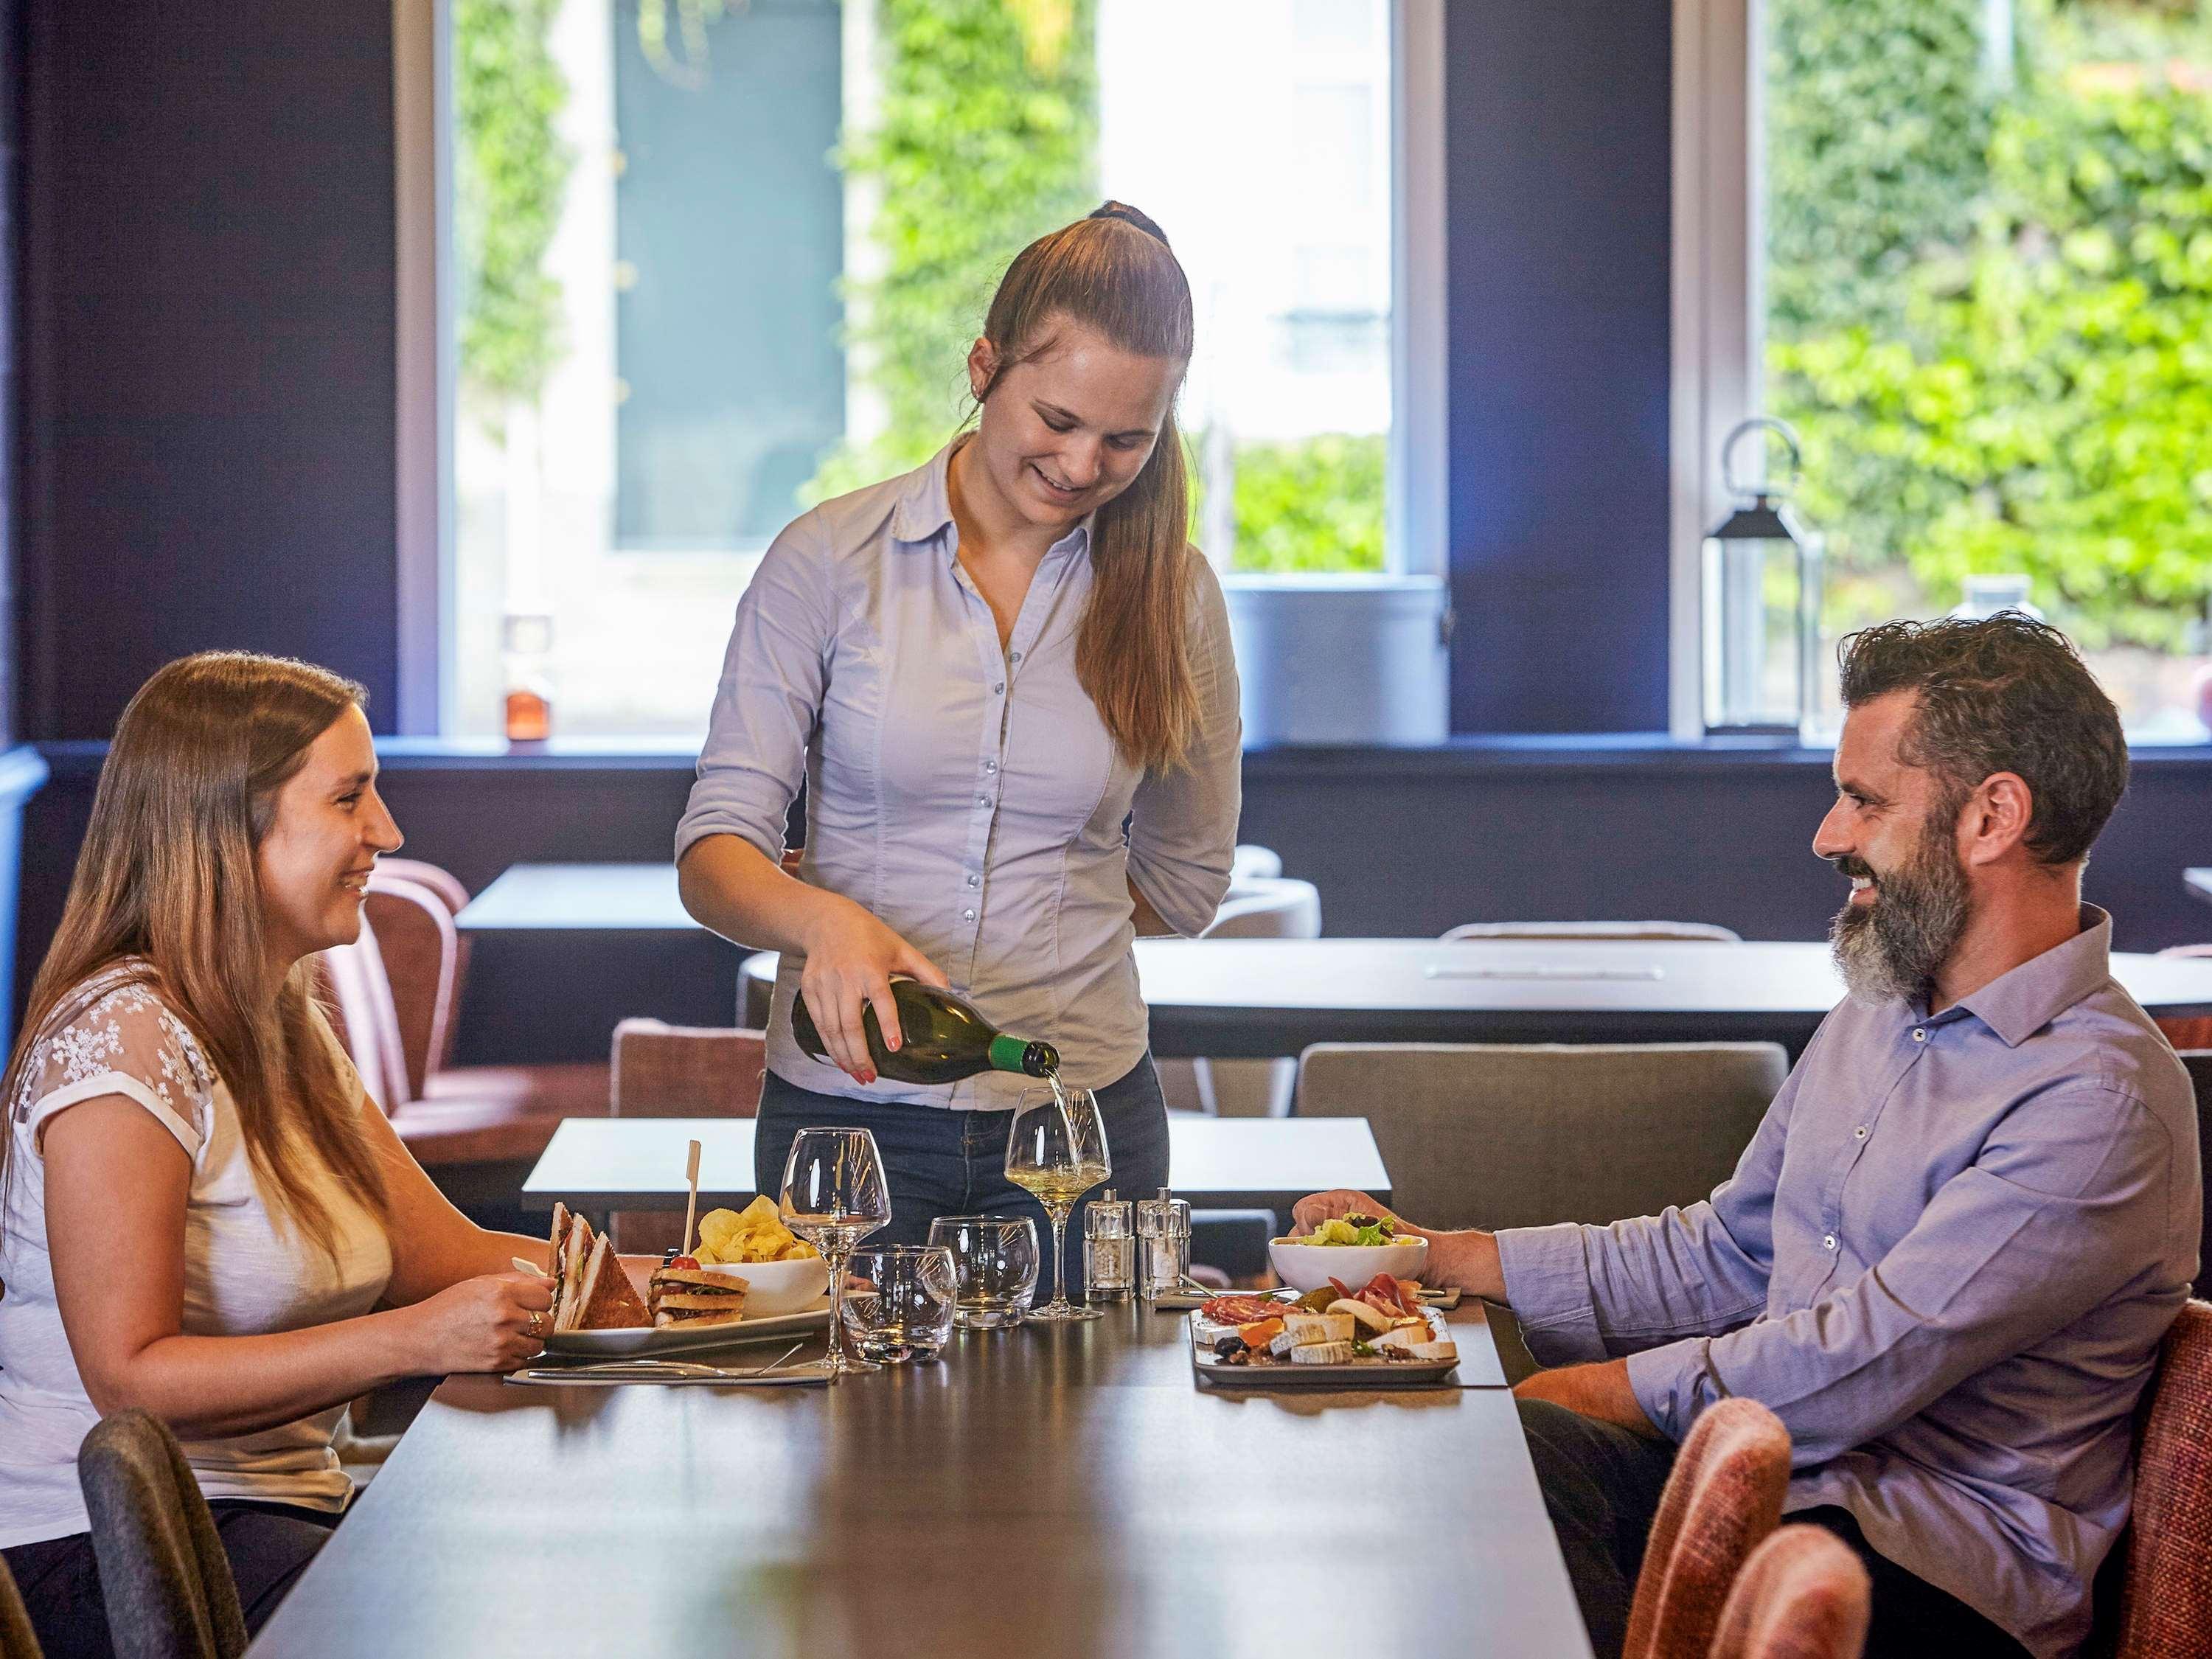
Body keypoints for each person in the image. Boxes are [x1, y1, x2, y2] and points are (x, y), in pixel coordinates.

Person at [1295, 615, 2197, 1659]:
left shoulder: (2098, 1100)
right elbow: (1733, 1250)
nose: (1827, 833)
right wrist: (1444, 1256)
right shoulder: (1883, 1004)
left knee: (1505, 1463)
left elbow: (1863, 1358)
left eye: (1865, 799)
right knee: (1484, 1471)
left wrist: (1581, 1389)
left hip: (1943, 1577)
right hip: (1794, 1487)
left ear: (1993, 815)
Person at [675, 204, 1242, 1270]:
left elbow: (1188, 879)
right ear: (985, 366)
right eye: (1058, 419)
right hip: (846, 1129)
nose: (1082, 465)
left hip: (1082, 1126)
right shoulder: (829, 561)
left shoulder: (1176, 597)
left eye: (1127, 438)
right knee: (843, 1436)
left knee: (1089, 1436)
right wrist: (824, 921)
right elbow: (713, 857)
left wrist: (1049, 904)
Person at [0, 653, 561, 1658]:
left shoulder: (282, 1018)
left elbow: (454, 1255)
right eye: (351, 797)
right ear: (229, 826)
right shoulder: (124, 1040)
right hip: (105, 1559)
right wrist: (418, 1342)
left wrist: (742, 1288)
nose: (387, 831)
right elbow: (128, 1378)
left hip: (271, 1520)